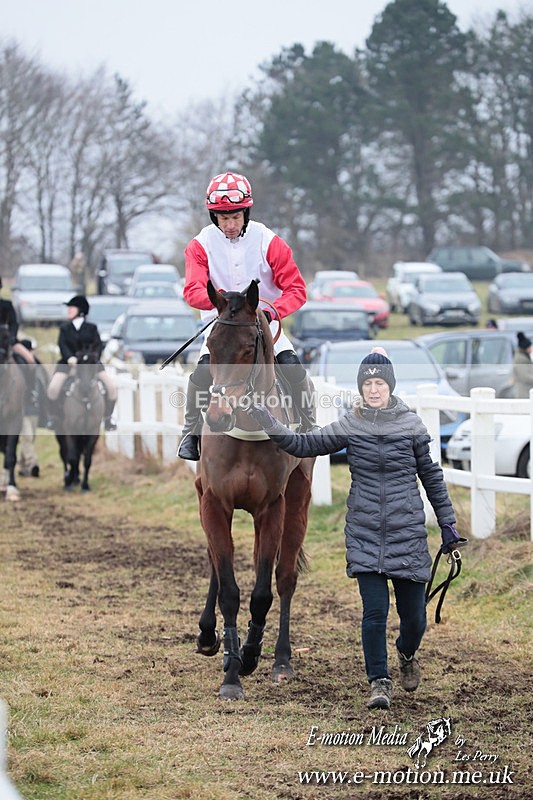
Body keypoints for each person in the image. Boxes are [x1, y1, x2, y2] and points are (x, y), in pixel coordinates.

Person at [247, 348, 461, 710]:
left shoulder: (412, 426)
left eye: (380, 384)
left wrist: (448, 523)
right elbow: (304, 444)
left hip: (407, 533)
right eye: (367, 384)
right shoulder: (351, 424)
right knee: (374, 614)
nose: (373, 390)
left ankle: (406, 653)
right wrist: (269, 421)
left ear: (390, 387)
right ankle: (379, 681)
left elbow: (432, 477)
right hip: (365, 534)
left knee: (414, 620)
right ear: (361, 388)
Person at [177, 170, 316, 460]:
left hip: (264, 324)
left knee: (293, 368)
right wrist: (221, 302)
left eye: (236, 217)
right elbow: (192, 290)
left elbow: (296, 289)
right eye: (223, 218)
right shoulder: (199, 245)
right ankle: (190, 433)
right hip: (222, 327)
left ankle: (308, 425)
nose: (229, 225)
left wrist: (271, 310)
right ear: (214, 217)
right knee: (200, 375)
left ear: (246, 213)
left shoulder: (269, 241)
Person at [46, 295, 117, 431]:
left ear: (81, 310)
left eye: (72, 308)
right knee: (53, 389)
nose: (69, 310)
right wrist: (69, 358)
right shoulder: (65, 328)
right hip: (68, 365)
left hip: (91, 365)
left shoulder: (92, 328)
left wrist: (92, 359)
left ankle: (108, 419)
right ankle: (54, 418)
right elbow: (62, 345)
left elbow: (98, 346)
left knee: (111, 388)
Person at [0, 275, 36, 399]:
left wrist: (11, 337)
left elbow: (14, 323)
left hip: (7, 341)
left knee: (30, 360)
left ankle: (31, 391)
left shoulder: (6, 305)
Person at [17, 339, 45, 478]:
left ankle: (22, 465)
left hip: (35, 408)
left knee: (30, 437)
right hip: (22, 409)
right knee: (27, 436)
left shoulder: (37, 366)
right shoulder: (19, 367)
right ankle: (33, 464)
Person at [512, 332, 533, 398]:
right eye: (529, 347)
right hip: (523, 392)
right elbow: (525, 376)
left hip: (527, 390)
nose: (531, 349)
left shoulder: (525, 357)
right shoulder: (520, 359)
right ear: (525, 348)